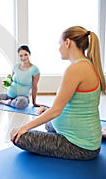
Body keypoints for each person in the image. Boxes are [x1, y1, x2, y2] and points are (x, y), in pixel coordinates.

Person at [11, 26, 106, 160]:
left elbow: (56, 111)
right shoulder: (87, 64)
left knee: (17, 136)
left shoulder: (75, 69)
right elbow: (67, 104)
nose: (59, 48)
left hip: (80, 146)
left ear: (67, 43)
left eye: (59, 43)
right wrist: (48, 111)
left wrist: (24, 127)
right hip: (88, 139)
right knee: (49, 124)